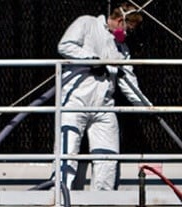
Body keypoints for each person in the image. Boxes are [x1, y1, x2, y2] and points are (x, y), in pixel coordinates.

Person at [57, 3, 149, 190]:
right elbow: (65, 46)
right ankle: (60, 193)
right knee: (68, 151)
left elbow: (128, 80)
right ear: (120, 21)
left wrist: (146, 107)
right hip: (76, 101)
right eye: (128, 28)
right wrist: (92, 59)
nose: (128, 33)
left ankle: (103, 198)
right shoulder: (87, 23)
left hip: (104, 104)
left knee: (108, 156)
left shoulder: (121, 48)